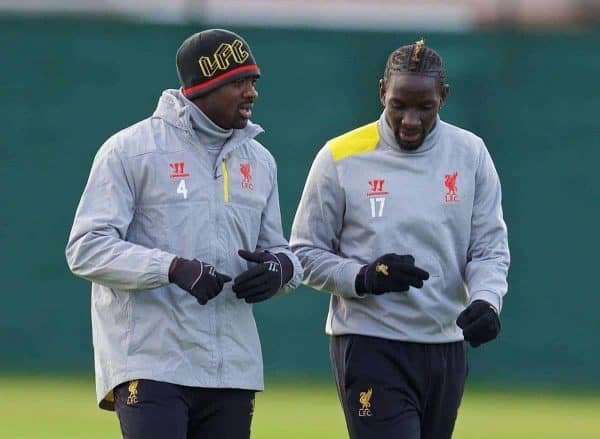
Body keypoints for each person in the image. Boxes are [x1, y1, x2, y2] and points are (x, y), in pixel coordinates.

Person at [66, 29, 302, 439]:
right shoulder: (130, 150)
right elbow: (86, 248)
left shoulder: (260, 161)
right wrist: (170, 267)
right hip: (150, 361)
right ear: (203, 87)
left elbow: (279, 250)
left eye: (254, 81)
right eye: (238, 82)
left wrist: (281, 270)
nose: (251, 93)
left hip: (233, 367)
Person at [290, 39, 509, 439]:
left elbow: (489, 248)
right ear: (381, 94)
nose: (410, 120)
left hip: (445, 346)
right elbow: (303, 253)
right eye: (398, 105)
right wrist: (362, 277)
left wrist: (486, 300)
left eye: (424, 107)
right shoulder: (339, 156)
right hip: (372, 343)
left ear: (443, 97)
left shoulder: (470, 153)